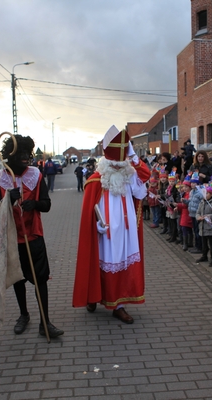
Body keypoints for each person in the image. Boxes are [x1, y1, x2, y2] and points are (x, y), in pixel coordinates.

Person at [73, 126, 150, 324]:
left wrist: (132, 156)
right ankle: (94, 297)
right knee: (102, 263)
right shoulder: (95, 181)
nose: (117, 167)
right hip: (104, 233)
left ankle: (119, 305)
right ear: (106, 162)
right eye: (114, 164)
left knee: (122, 264)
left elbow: (145, 177)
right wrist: (96, 225)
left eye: (120, 163)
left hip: (126, 232)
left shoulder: (129, 174)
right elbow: (88, 213)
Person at [0, 135, 64, 339]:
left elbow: (47, 204)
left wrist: (34, 204)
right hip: (12, 239)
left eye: (28, 153)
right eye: (21, 153)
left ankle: (45, 321)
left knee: (40, 279)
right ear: (11, 155)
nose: (26, 157)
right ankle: (23, 315)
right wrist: (8, 201)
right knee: (18, 280)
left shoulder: (36, 175)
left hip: (33, 236)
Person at [195, 178, 212, 267]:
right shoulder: (202, 202)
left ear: (211, 194)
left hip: (210, 226)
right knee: (204, 243)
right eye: (204, 193)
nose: (205, 195)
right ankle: (204, 255)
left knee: (211, 243)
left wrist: (207, 217)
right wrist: (198, 217)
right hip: (202, 226)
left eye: (207, 193)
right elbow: (198, 212)